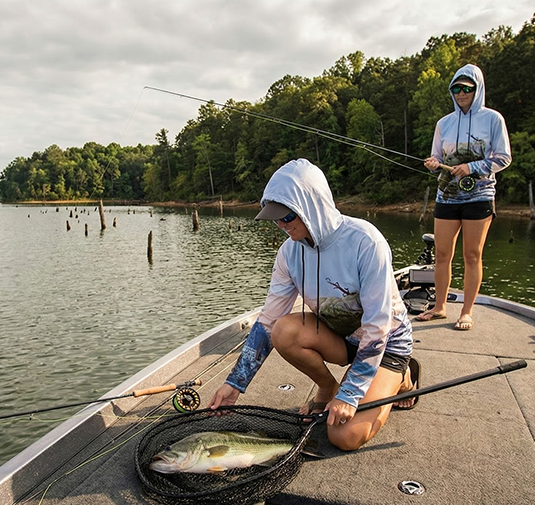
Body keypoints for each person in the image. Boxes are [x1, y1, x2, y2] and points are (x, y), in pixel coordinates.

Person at [207, 159, 416, 452]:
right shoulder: (288, 254)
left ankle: (403, 377)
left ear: (313, 206)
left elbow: (378, 326)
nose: (281, 225)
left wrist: (351, 394)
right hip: (341, 339)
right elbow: (267, 323)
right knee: (282, 329)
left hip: (385, 345)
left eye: (288, 217)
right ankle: (328, 386)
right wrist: (235, 384)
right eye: (275, 219)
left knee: (343, 437)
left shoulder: (366, 241)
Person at [418, 64, 511, 331]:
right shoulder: (444, 123)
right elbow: (436, 155)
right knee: (442, 254)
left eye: (466, 88)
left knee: (472, 255)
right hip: (447, 195)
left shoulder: (493, 119)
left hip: (479, 195)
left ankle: (466, 312)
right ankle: (439, 307)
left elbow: (503, 158)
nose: (461, 93)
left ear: (477, 89)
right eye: (456, 88)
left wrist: (471, 167)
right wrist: (434, 163)